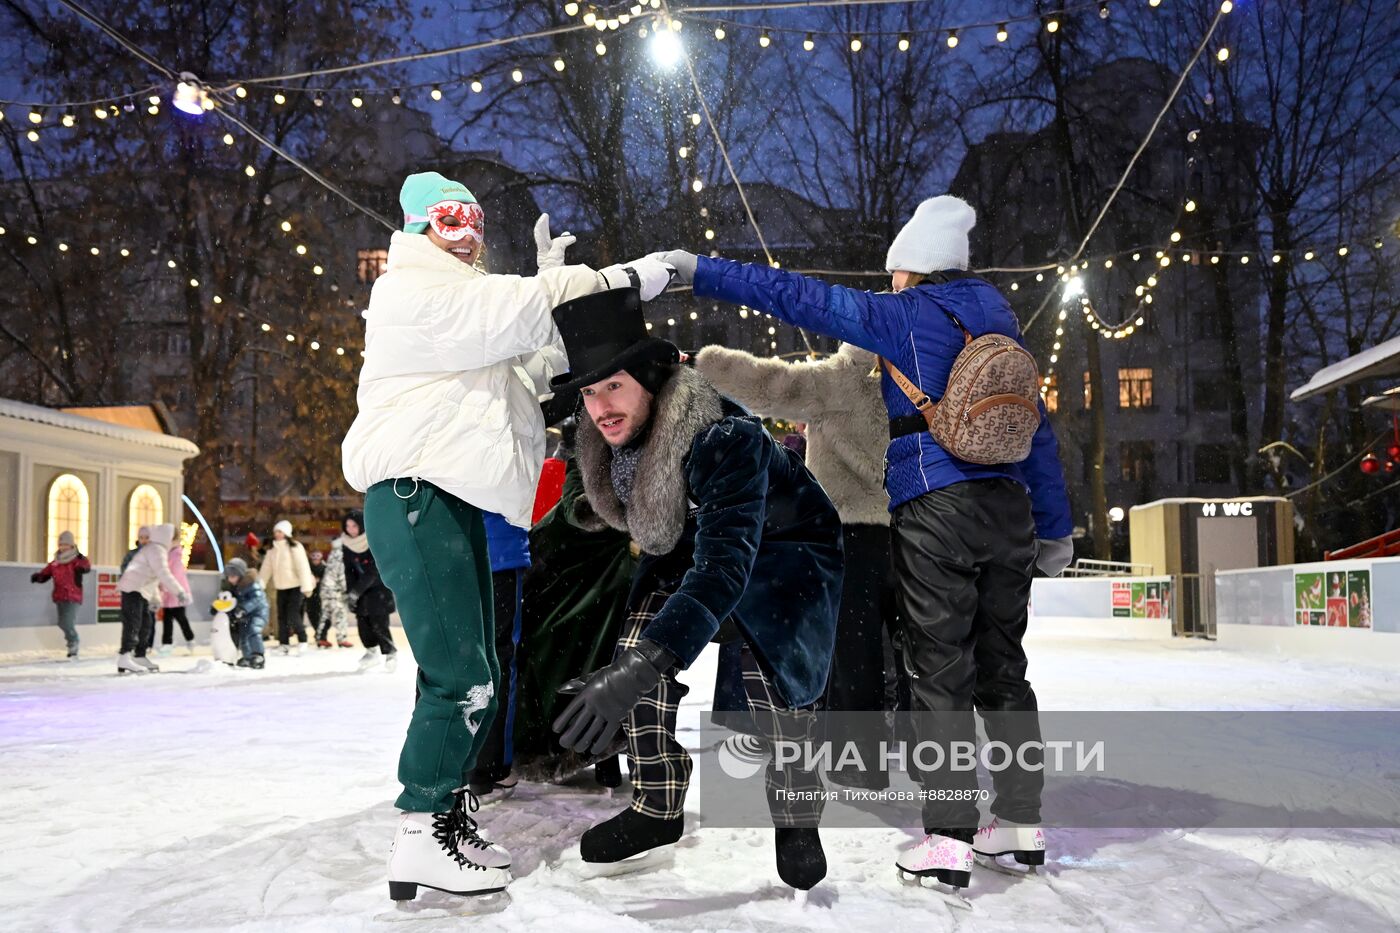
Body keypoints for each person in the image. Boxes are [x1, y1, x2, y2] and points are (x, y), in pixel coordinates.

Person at [653, 194, 1075, 892]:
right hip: (1010, 508)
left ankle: (948, 835)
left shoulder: (902, 315)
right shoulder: (1002, 321)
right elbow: (1040, 429)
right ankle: (1021, 823)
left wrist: (699, 270)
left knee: (938, 668)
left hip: (938, 506)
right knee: (1003, 664)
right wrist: (1055, 527)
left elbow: (793, 295)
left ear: (908, 269)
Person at [340, 169, 677, 903]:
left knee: (473, 670)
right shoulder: (413, 292)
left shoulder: (466, 311)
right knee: (462, 674)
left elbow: (532, 368)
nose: (468, 235)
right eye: (449, 220)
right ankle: (421, 826)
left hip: (452, 499)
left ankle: (442, 813)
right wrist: (625, 280)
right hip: (417, 496)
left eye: (474, 220)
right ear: (418, 227)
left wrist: (553, 283)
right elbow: (518, 309)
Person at [547, 287, 844, 893]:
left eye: (614, 386)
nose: (601, 407)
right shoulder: (610, 447)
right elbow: (593, 511)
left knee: (779, 693)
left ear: (652, 382)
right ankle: (656, 807)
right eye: (590, 392)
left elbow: (725, 571)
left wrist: (638, 670)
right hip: (696, 548)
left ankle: (795, 815)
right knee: (635, 649)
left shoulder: (723, 438)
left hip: (787, 555)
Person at [697, 343, 907, 788]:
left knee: (854, 650)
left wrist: (705, 364)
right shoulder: (917, 375)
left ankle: (859, 763)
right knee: (919, 650)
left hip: (849, 531)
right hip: (911, 527)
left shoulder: (838, 378)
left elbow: (766, 382)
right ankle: (928, 755)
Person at [465, 511, 530, 800]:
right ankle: (489, 769)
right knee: (498, 657)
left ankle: (441, 768)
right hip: (498, 548)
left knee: (443, 660)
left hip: (444, 548)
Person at [116, 524, 191, 674]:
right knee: (133, 623)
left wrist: (155, 599)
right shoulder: (157, 550)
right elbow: (163, 574)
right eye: (174, 540)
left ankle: (140, 655)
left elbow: (152, 579)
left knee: (146, 623)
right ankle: (125, 656)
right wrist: (179, 592)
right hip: (132, 590)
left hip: (141, 591)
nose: (174, 544)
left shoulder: (155, 550)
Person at [338, 510, 397, 673]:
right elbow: (348, 571)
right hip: (360, 591)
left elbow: (374, 569)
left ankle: (390, 653)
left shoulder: (372, 540)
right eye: (347, 526)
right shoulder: (347, 544)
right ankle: (371, 652)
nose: (350, 529)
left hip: (378, 589)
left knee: (379, 624)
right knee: (363, 624)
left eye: (354, 525)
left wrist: (356, 591)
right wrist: (351, 593)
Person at [30, 530, 92, 660]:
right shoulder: (56, 562)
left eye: (65, 545)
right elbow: (46, 573)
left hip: (73, 596)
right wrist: (38, 577)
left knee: (67, 622)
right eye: (61, 544)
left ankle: (73, 643)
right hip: (59, 596)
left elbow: (86, 566)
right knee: (61, 623)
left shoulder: (77, 560)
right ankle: (72, 643)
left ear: (71, 545)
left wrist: (82, 562)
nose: (62, 547)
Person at [260, 520, 316, 655]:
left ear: (286, 533)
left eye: (280, 531)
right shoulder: (272, 551)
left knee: (293, 615)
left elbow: (302, 567)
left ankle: (303, 640)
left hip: (296, 587)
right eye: (276, 532)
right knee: (281, 617)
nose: (277, 534)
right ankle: (284, 644)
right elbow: (265, 570)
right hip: (281, 588)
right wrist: (260, 585)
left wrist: (306, 586)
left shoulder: (295, 547)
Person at [221, 558, 269, 669]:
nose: (230, 579)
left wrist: (243, 608)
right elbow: (228, 600)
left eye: (233, 576)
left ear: (240, 575)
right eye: (229, 577)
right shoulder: (234, 587)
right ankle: (247, 657)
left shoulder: (252, 584)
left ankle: (258, 655)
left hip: (258, 613)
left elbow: (257, 599)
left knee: (253, 631)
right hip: (244, 615)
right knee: (243, 634)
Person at [156, 540, 196, 656]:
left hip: (176, 594)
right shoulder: (168, 555)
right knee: (169, 620)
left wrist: (169, 587)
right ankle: (168, 644)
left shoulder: (176, 556)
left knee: (180, 618)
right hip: (170, 594)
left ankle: (189, 640)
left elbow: (176, 576)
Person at [318, 532, 355, 650]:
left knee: (326, 614)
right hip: (336, 590)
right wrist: (346, 589)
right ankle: (342, 639)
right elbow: (341, 574)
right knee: (340, 614)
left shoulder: (333, 553)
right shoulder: (341, 553)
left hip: (326, 588)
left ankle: (321, 638)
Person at [307, 549, 327, 647]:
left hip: (321, 595)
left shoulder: (325, 567)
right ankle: (318, 633)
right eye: (313, 557)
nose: (315, 560)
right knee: (312, 615)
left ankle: (322, 636)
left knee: (321, 616)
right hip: (310, 595)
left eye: (317, 557)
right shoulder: (307, 568)